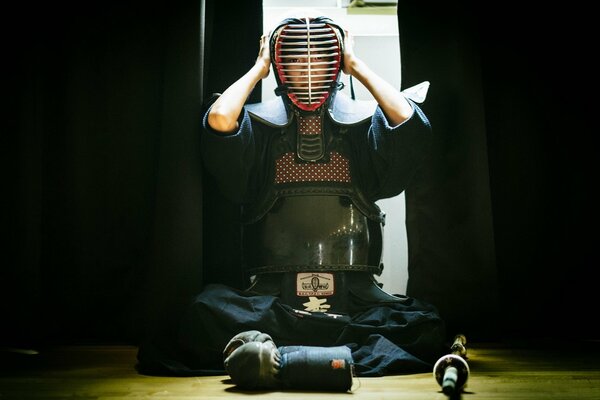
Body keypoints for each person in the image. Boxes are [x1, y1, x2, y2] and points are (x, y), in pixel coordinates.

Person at [137, 13, 445, 390]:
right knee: (203, 314)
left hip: (355, 296)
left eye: (320, 57)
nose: (309, 67)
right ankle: (328, 355)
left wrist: (357, 66)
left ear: (335, 62)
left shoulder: (366, 125)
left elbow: (408, 124)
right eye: (298, 58)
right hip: (273, 297)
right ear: (282, 65)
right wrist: (258, 67)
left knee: (424, 325)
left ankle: (279, 356)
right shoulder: (257, 126)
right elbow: (218, 120)